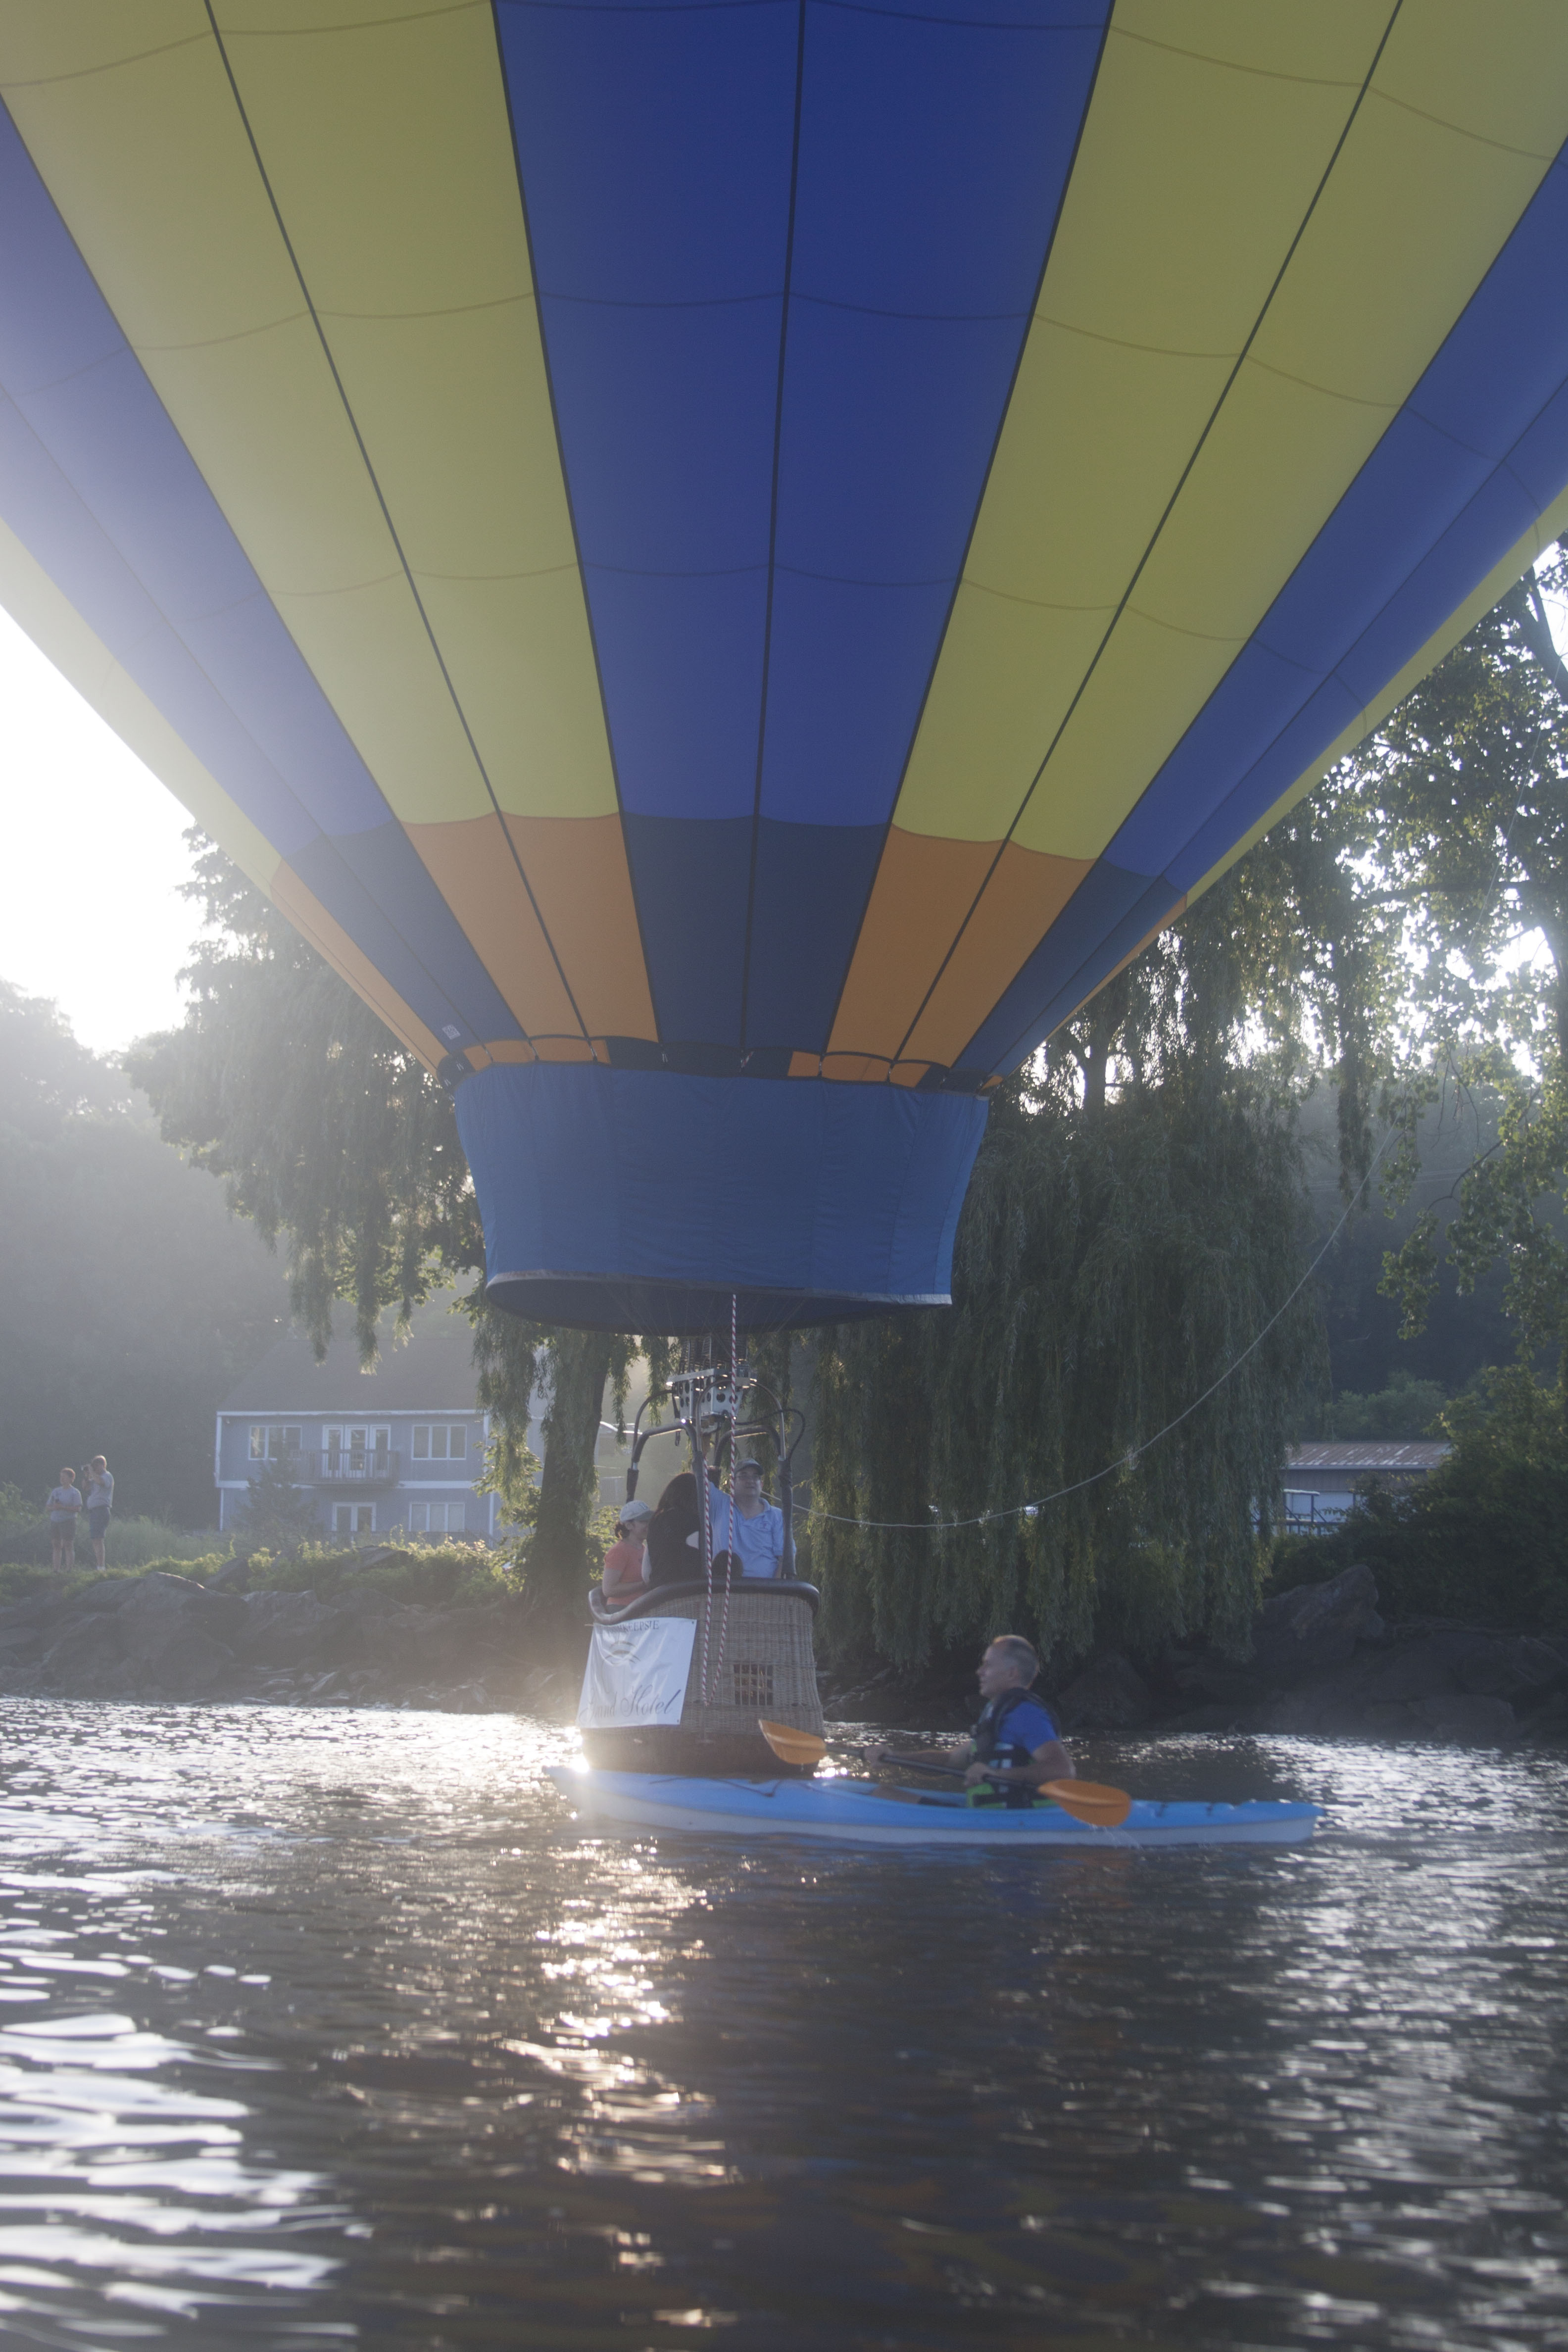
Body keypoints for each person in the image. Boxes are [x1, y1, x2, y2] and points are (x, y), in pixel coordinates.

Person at [867, 1634, 1074, 1809]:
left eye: (988, 1665)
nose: (980, 1672)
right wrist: (893, 1757)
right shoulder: (997, 1713)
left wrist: (997, 1773)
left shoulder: (1025, 1714)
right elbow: (950, 1760)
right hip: (988, 1817)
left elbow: (1062, 1770)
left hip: (1012, 1822)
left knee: (883, 1795)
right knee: (884, 1792)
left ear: (1012, 1673)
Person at [702, 1458, 786, 1579]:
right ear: (732, 1483)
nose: (750, 1481)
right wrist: (703, 1452)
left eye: (755, 1477)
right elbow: (698, 1480)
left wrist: (776, 1588)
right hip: (724, 1586)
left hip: (766, 1588)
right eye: (744, 1476)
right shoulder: (719, 1504)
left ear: (761, 1485)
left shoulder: (776, 1516)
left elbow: (785, 1560)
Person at [644, 1471, 704, 1585]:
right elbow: (695, 1562)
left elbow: (646, 1573)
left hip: (657, 1589)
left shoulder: (656, 1521)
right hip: (684, 1589)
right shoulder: (694, 1521)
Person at [600, 1497, 653, 1603]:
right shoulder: (619, 1551)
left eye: (650, 1521)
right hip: (622, 1609)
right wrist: (644, 1584)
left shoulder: (644, 1549)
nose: (649, 1525)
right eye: (644, 1522)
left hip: (641, 1607)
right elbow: (609, 1590)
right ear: (629, 1526)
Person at [47, 1468, 82, 1573]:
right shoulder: (56, 1491)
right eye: (61, 1477)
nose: (62, 1479)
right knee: (56, 1544)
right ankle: (56, 1569)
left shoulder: (75, 1493)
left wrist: (63, 1507)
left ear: (71, 1479)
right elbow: (48, 1506)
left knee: (68, 1544)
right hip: (55, 1520)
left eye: (64, 1477)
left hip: (68, 1521)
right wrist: (54, 1507)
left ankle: (69, 1569)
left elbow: (78, 1508)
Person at [83, 1456, 114, 1570]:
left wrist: (92, 1472)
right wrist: (87, 1476)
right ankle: (99, 1566)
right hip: (94, 1511)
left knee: (99, 1538)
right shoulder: (95, 1478)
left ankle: (101, 1567)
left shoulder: (107, 1476)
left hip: (101, 1510)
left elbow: (101, 1482)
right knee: (95, 1538)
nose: (94, 1469)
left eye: (95, 1466)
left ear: (102, 1465)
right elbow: (86, 1487)